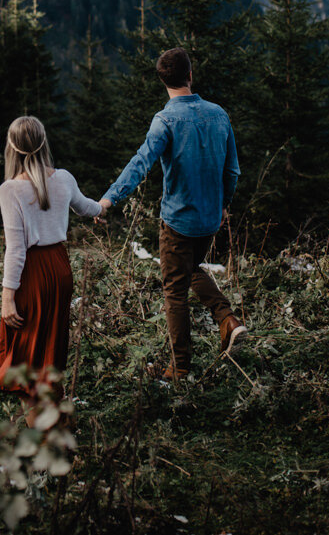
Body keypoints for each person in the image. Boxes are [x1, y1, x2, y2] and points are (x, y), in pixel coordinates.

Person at [101, 47, 245, 379]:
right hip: (209, 220)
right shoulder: (219, 115)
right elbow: (232, 171)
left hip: (178, 221)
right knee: (190, 268)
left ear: (163, 80)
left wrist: (110, 199)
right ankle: (227, 319)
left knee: (174, 289)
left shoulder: (165, 120)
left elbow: (141, 163)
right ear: (190, 75)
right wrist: (223, 205)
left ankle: (180, 368)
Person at [0, 115, 104, 411]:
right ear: (44, 144)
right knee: (51, 343)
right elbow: (87, 207)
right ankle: (56, 412)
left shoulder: (10, 189)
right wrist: (105, 205)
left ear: (11, 148)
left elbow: (16, 250)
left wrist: (7, 297)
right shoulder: (64, 178)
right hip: (60, 268)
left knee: (25, 355)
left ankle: (44, 434)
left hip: (33, 273)